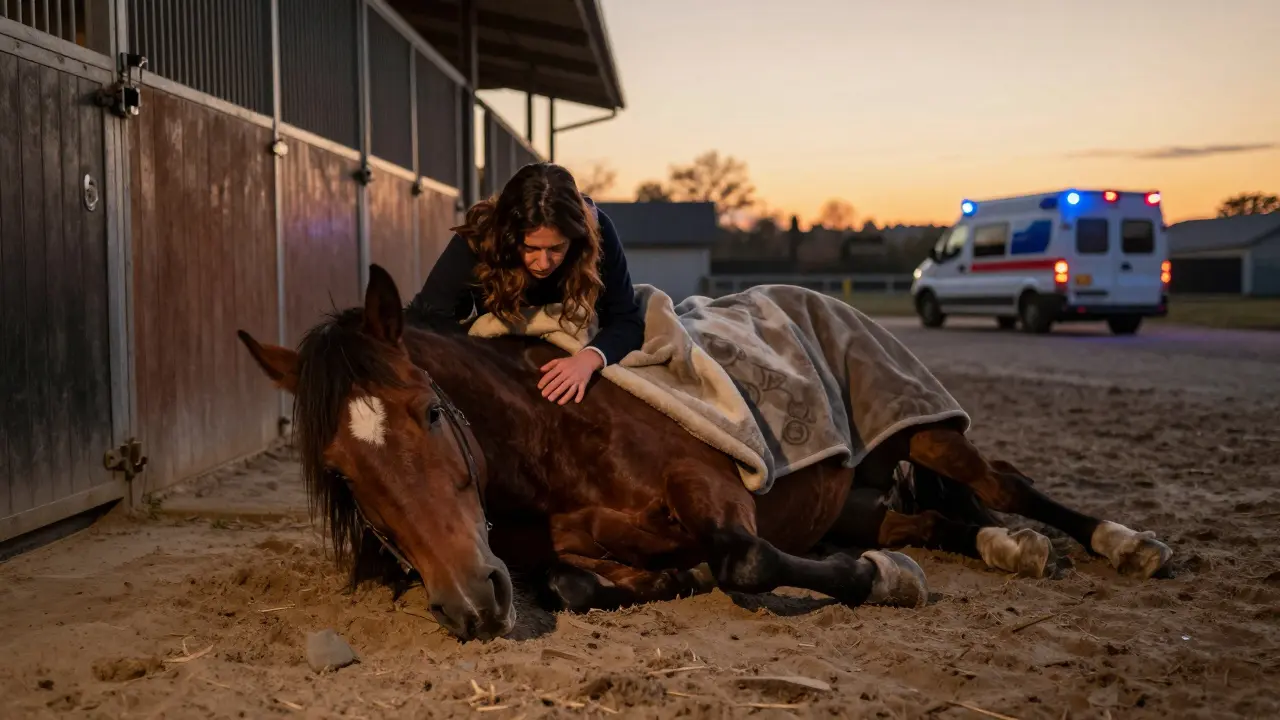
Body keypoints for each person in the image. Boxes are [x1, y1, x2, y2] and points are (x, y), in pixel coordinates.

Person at [406, 162, 645, 405]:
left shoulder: (597, 231)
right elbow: (426, 316)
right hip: (498, 355)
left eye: (556, 248)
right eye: (531, 248)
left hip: (574, 347)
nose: (543, 263)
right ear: (509, 237)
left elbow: (627, 319)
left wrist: (587, 360)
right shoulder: (481, 236)